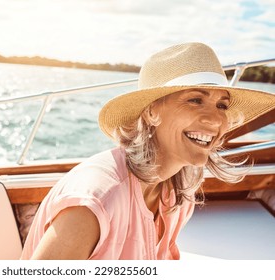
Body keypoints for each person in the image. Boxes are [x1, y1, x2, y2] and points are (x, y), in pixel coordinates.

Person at [20, 42, 275, 260]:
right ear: (152, 112)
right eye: (195, 100)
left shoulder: (178, 189)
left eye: (221, 105)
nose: (216, 120)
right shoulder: (97, 199)